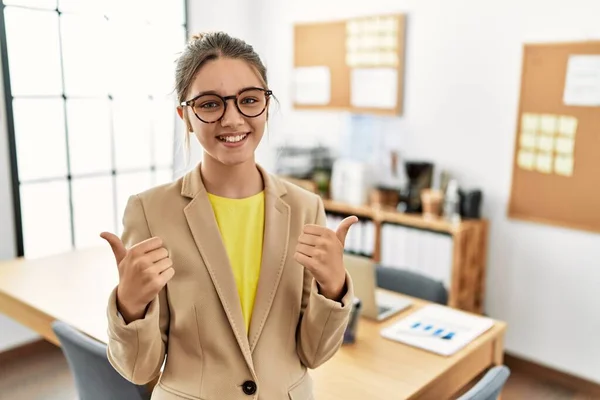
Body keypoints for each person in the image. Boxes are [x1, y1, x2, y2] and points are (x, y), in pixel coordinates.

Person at [100, 31, 357, 400]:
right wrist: (129, 305)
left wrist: (333, 290)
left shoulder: (306, 208)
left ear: (266, 105)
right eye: (209, 104)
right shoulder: (150, 211)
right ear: (185, 116)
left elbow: (314, 354)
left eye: (249, 100)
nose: (233, 119)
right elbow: (140, 369)